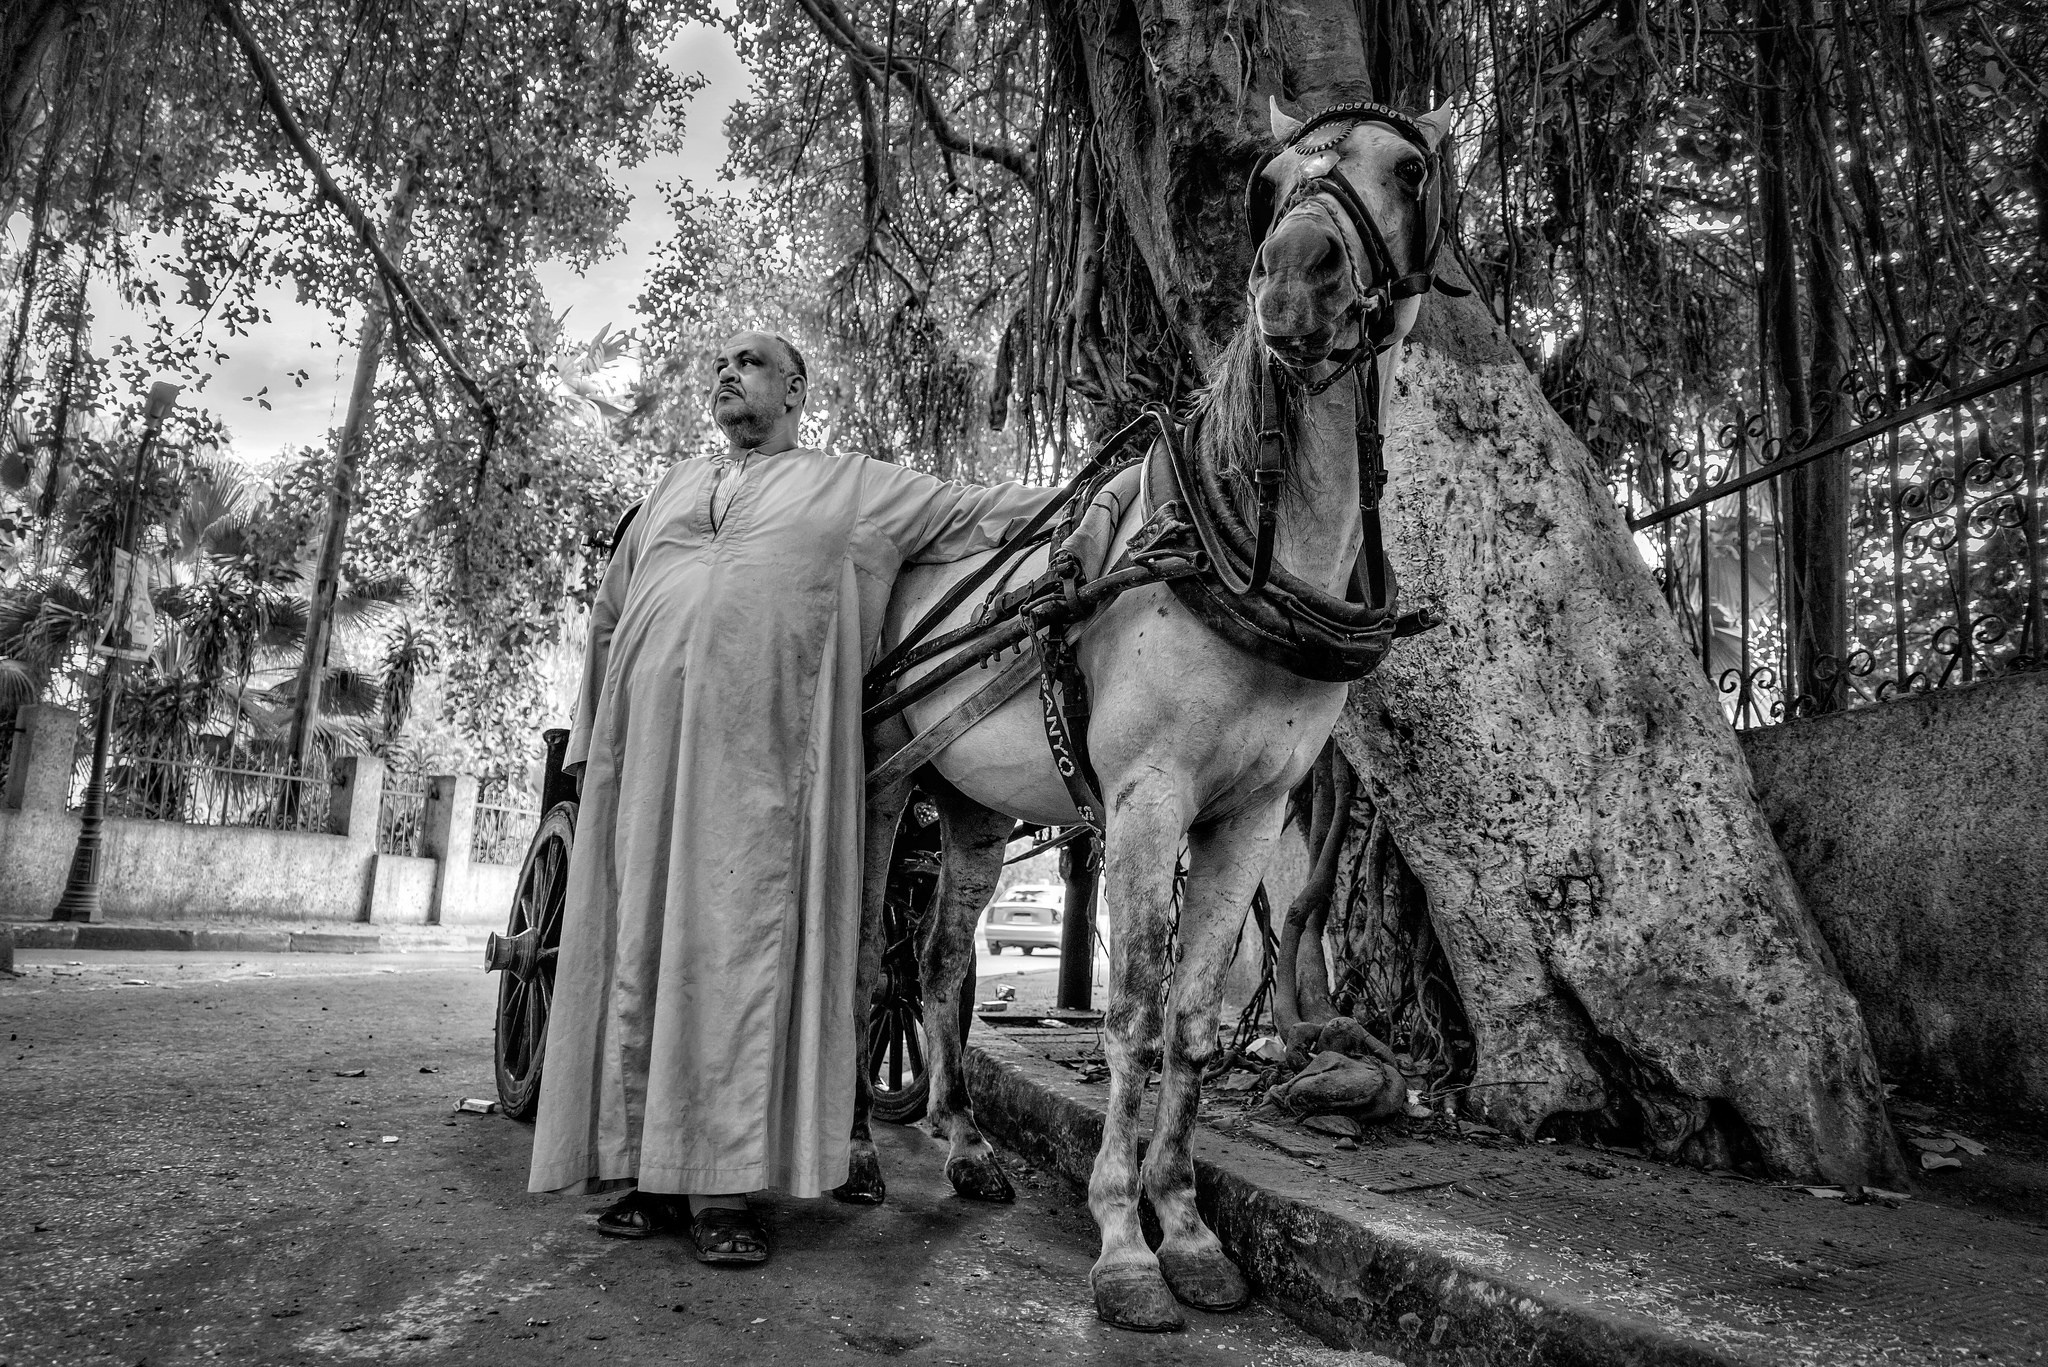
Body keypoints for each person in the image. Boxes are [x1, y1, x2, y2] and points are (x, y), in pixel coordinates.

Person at [527, 330, 1059, 1265]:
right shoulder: (671, 489)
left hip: (761, 776)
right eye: (718, 365)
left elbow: (983, 515)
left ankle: (725, 1190)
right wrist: (589, 743)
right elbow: (610, 618)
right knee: (641, 956)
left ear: (797, 387)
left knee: (733, 961)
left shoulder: (850, 485)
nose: (726, 373)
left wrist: (1132, 484)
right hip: (645, 767)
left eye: (749, 361)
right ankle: (652, 1177)